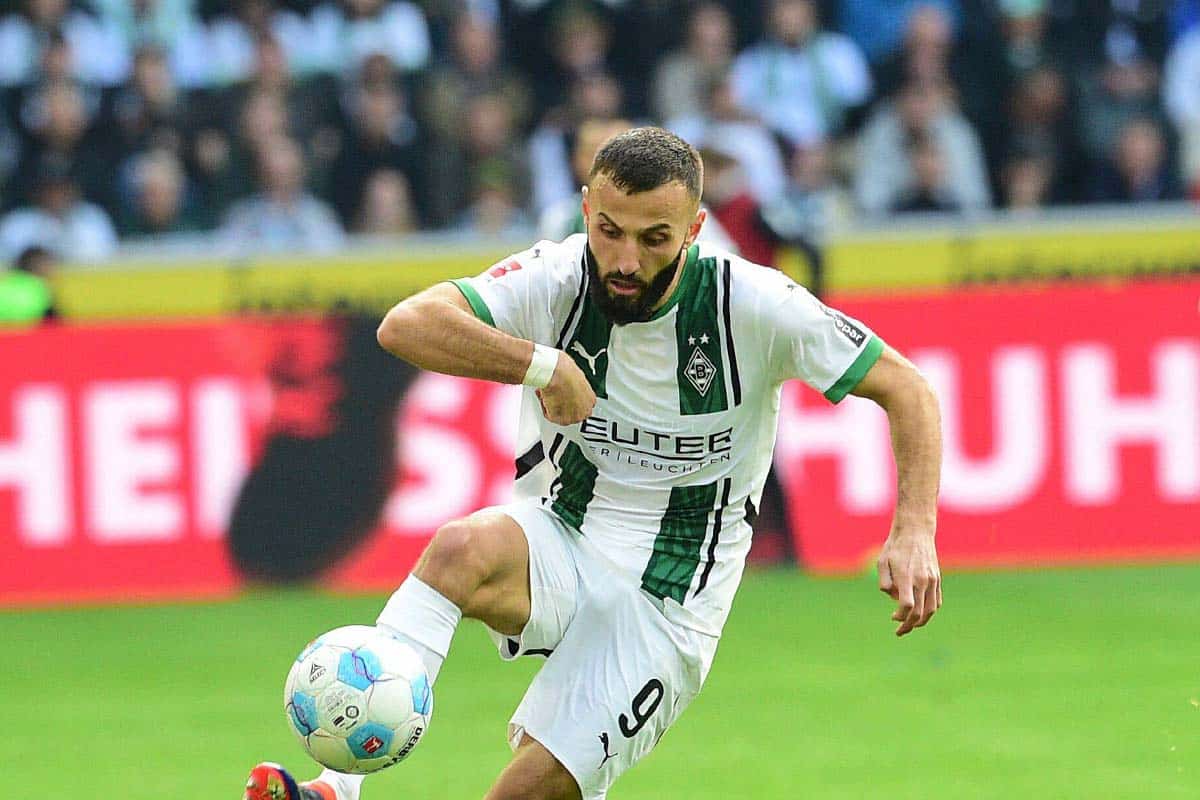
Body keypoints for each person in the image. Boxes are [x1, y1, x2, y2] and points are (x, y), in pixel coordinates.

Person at [243, 127, 943, 800]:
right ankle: (338, 787)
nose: (627, 259)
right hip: (568, 539)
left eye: (654, 238)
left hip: (667, 601)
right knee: (459, 549)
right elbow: (405, 325)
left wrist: (913, 529)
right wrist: (541, 364)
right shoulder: (558, 276)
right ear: (586, 210)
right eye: (609, 230)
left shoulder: (753, 304)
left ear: (694, 231)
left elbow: (906, 387)